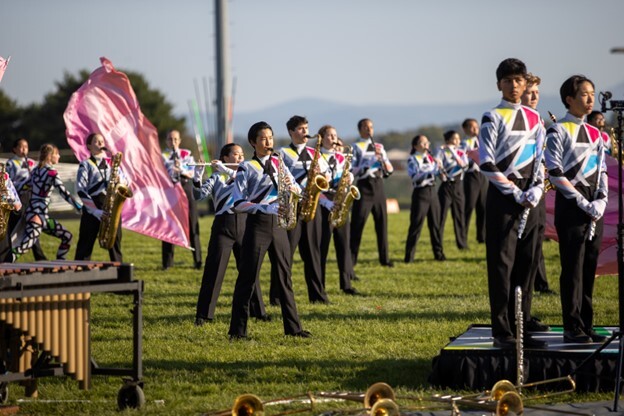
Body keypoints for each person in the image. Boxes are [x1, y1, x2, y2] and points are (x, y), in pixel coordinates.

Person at [478, 58, 547, 349]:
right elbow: (486, 162)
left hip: (532, 197)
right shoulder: (492, 117)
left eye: (519, 80)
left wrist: (537, 189)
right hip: (503, 197)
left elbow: (542, 159)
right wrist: (514, 192)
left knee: (528, 263)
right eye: (508, 81)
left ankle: (522, 323)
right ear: (499, 85)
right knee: (502, 264)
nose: (514, 85)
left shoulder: (536, 118)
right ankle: (502, 329)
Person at [228, 121, 310, 339]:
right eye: (263, 139)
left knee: (285, 277)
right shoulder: (246, 168)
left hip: (279, 225)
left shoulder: (279, 163)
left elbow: (297, 188)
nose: (268, 142)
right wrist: (261, 206)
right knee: (247, 278)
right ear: (253, 143)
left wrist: (295, 189)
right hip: (258, 226)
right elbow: (237, 203)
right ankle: (237, 331)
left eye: (271, 138)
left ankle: (294, 328)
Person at [545, 75, 608, 344]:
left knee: (589, 266)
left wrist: (601, 200)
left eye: (592, 93)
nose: (590, 99)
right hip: (572, 206)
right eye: (584, 94)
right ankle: (572, 326)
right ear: (569, 99)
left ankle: (586, 322)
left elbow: (602, 169)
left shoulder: (596, 134)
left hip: (595, 205)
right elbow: (555, 171)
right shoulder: (558, 130)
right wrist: (581, 202)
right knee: (572, 267)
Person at [193, 143, 270, 325]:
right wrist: (197, 177)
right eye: (236, 154)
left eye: (242, 154)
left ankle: (258, 311)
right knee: (214, 270)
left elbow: (249, 190)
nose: (240, 158)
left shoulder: (246, 175)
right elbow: (199, 196)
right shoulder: (216, 177)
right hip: (223, 226)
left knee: (250, 270)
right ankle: (204, 315)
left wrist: (227, 171)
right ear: (225, 158)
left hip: (245, 224)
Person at [272, 115, 330, 304]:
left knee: (313, 254)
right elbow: (279, 180)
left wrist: (320, 176)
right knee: (285, 254)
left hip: (311, 208)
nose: (305, 132)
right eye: (301, 129)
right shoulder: (281, 153)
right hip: (291, 207)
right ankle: (278, 296)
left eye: (306, 128)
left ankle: (317, 295)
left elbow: (326, 178)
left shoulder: (315, 153)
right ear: (291, 132)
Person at [11, 144, 81, 262]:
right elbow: (63, 192)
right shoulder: (51, 172)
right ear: (50, 156)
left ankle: (60, 264)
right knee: (24, 246)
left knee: (67, 236)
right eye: (56, 154)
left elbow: (23, 187)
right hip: (37, 216)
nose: (59, 156)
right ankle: (5, 262)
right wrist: (79, 206)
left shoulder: (35, 171)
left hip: (39, 216)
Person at [520, 73, 556, 305]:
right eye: (529, 92)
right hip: (521, 188)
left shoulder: (538, 120)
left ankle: (528, 306)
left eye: (537, 93)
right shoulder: (518, 120)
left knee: (534, 248)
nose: (534, 97)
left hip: (538, 187)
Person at [317, 125, 359, 295]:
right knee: (323, 247)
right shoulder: (317, 156)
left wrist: (350, 177)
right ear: (321, 138)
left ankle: (346, 284)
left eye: (335, 135)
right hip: (323, 202)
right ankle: (320, 286)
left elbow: (347, 173)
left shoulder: (341, 157)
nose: (334, 138)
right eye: (330, 135)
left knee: (343, 245)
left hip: (340, 201)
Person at [75, 133, 128, 262]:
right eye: (96, 142)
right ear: (89, 146)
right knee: (85, 244)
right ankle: (79, 274)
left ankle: (119, 274)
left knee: (115, 242)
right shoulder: (85, 164)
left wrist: (119, 179)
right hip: (93, 207)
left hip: (111, 206)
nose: (100, 144)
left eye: (102, 141)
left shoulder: (112, 164)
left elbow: (125, 183)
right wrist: (95, 211)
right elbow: (81, 190)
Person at [350, 118, 394, 267]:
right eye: (366, 127)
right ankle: (352, 261)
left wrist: (382, 160)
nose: (369, 129)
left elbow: (390, 168)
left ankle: (385, 259)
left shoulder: (379, 146)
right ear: (360, 129)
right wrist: (367, 164)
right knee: (358, 224)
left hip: (379, 185)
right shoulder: (356, 147)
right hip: (364, 186)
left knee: (382, 224)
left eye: (371, 127)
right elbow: (352, 170)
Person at [161, 130, 202, 270]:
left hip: (186, 189)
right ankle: (167, 262)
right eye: (170, 139)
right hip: (170, 191)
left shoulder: (186, 154)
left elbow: (192, 171)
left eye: (175, 139)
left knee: (192, 224)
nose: (173, 142)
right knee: (168, 226)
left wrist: (181, 169)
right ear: (166, 141)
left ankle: (197, 261)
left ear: (179, 140)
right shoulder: (163, 156)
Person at [404, 134, 446, 262]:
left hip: (432, 192)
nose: (426, 145)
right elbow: (414, 176)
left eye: (427, 142)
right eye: (422, 143)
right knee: (416, 225)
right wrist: (431, 171)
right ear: (415, 146)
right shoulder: (412, 159)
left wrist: (440, 168)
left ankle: (439, 254)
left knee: (436, 225)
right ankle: (409, 257)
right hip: (420, 193)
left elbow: (443, 177)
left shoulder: (431, 159)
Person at [5, 138, 47, 260]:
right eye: (21, 147)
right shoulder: (11, 163)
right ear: (15, 149)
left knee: (33, 225)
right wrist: (24, 184)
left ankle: (39, 256)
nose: (24, 150)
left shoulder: (32, 163)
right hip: (19, 198)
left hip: (31, 198)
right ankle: (6, 251)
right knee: (14, 226)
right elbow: (10, 183)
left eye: (26, 147)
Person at [436, 130, 469, 250]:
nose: (458, 141)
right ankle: (438, 245)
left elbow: (463, 165)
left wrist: (452, 151)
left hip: (458, 186)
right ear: (448, 140)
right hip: (446, 187)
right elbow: (437, 165)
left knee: (459, 216)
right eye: (455, 139)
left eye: (458, 139)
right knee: (441, 217)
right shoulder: (441, 152)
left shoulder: (460, 152)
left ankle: (462, 244)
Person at [460, 119, 487, 244]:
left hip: (482, 175)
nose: (475, 129)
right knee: (469, 206)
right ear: (465, 129)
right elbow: (464, 158)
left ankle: (481, 236)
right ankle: (462, 236)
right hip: (471, 175)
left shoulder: (483, 141)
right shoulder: (465, 143)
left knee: (482, 206)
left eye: (476, 127)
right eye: (471, 127)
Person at [0, 166, 22, 262]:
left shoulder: (3, 174)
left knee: (5, 256)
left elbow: (16, 202)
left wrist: (14, 201)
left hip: (3, 214)